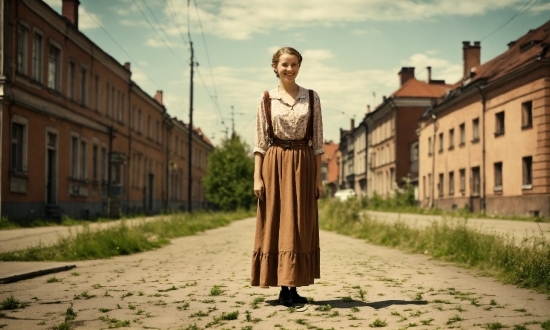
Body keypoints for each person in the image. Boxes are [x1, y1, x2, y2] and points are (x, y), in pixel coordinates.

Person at [251, 46, 324, 307]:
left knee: (300, 223)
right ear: (275, 67)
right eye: (284, 64)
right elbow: (260, 141)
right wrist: (257, 177)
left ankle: (293, 285)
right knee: (277, 222)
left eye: (294, 64)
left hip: (304, 163)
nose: (289, 69)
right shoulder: (266, 98)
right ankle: (283, 287)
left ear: (299, 66)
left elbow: (317, 142)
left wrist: (318, 178)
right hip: (276, 162)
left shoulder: (312, 97)